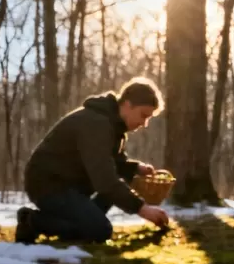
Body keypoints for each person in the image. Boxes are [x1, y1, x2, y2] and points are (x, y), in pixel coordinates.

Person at [15, 77, 171, 245]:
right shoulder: (96, 124)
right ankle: (32, 221)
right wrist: (142, 208)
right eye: (143, 115)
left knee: (120, 178)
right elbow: (104, 178)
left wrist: (135, 168)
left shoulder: (113, 126)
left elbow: (112, 164)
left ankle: (82, 220)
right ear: (127, 104)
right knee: (100, 231)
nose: (144, 123)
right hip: (48, 185)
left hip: (72, 186)